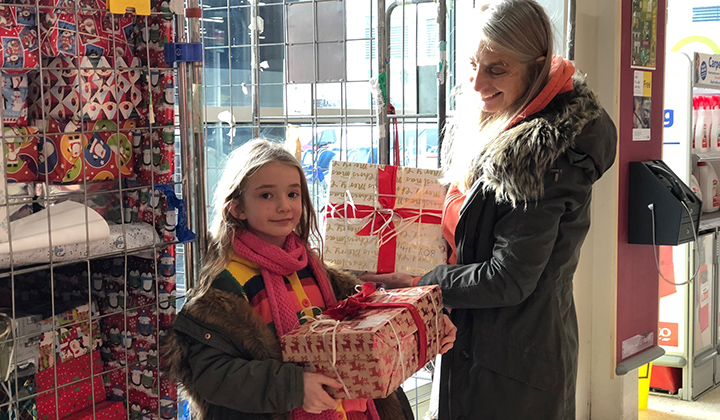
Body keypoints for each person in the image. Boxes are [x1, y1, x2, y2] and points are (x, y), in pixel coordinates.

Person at [361, 1, 617, 419]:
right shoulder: (506, 122)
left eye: (496, 69)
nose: (478, 83)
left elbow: (509, 277)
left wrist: (423, 281)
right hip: (491, 349)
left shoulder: (542, 156)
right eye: (472, 65)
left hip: (513, 366)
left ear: (535, 69)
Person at [161, 139, 457, 420]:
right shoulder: (225, 287)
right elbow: (213, 376)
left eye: (293, 193)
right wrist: (294, 388)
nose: (283, 206)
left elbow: (368, 337)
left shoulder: (318, 272)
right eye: (266, 195)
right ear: (236, 207)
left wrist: (426, 329)